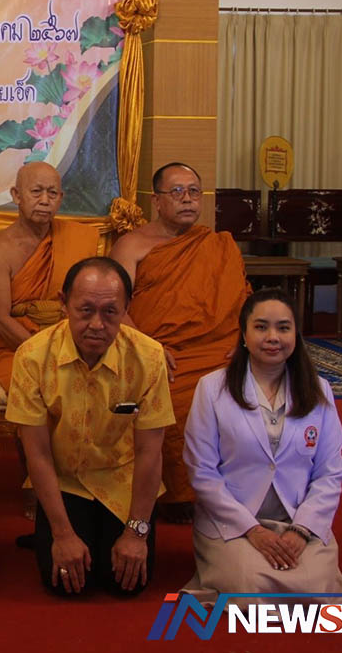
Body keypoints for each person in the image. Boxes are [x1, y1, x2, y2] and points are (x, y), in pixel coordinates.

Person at [182, 289, 342, 613]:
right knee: (250, 585)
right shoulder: (212, 388)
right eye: (261, 327)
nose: (273, 337)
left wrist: (302, 530)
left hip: (296, 520)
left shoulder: (319, 390)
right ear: (243, 335)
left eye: (283, 328)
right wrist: (252, 529)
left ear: (296, 335)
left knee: (314, 585)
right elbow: (202, 471)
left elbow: (330, 471)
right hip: (233, 524)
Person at [6, 257, 174, 598]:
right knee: (66, 585)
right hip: (64, 480)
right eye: (85, 310)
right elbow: (37, 453)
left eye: (110, 312)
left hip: (122, 480)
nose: (97, 324)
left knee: (126, 585)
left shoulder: (148, 357)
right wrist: (62, 534)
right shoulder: (32, 356)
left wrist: (136, 534)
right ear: (63, 303)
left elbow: (150, 452)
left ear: (127, 308)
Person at [110, 162, 250, 521]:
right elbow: (114, 307)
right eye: (176, 192)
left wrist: (245, 341)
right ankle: (175, 496)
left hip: (220, 350)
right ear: (156, 201)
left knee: (245, 389)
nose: (187, 199)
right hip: (160, 352)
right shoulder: (133, 245)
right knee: (171, 397)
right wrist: (149, 348)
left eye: (193, 191)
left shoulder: (217, 245)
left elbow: (242, 303)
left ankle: (235, 487)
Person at [0, 161, 99, 390]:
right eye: (36, 191)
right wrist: (46, 354)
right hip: (19, 348)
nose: (45, 200)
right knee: (43, 388)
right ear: (17, 195)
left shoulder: (76, 238)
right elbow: (0, 321)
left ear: (60, 198)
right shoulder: (0, 250)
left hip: (73, 343)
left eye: (52, 193)